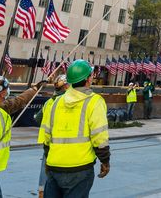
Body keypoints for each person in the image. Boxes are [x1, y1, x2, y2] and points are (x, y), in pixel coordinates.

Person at [42, 59, 110, 197]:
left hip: (54, 165)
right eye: (91, 75)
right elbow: (100, 136)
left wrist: (48, 159)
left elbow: (46, 135)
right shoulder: (95, 101)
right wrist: (105, 161)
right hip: (80, 168)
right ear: (88, 79)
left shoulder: (55, 102)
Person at [35, 75, 69, 198]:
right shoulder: (66, 102)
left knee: (46, 167)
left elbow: (38, 118)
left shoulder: (49, 102)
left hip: (47, 141)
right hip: (62, 142)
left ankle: (41, 191)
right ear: (66, 86)